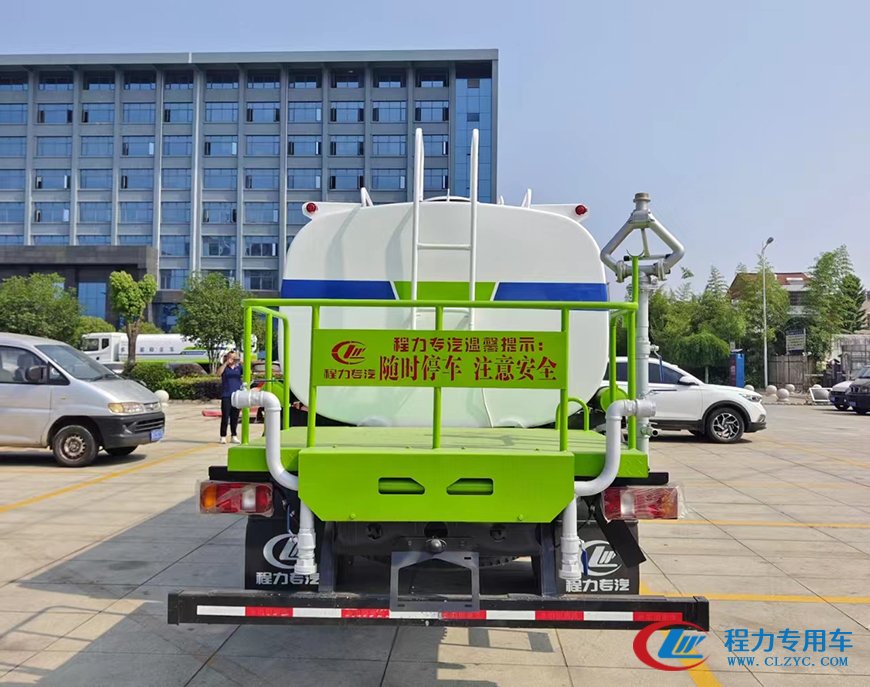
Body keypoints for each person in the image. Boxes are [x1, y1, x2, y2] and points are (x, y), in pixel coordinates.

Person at [217, 350, 243, 444]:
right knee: (225, 416)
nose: (233, 359)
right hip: (226, 395)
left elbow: (249, 373)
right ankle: (223, 436)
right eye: (231, 357)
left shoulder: (239, 367)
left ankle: (234, 435)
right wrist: (226, 363)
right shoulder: (225, 367)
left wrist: (241, 362)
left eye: (234, 357)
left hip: (237, 395)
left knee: (235, 417)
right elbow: (218, 373)